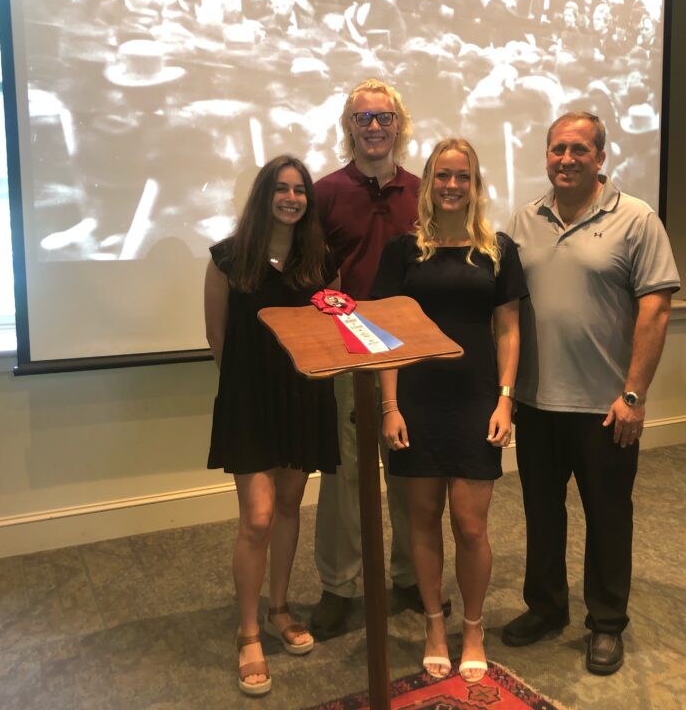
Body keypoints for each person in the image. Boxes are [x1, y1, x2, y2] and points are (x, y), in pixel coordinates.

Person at [502, 112, 679, 675]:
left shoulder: (636, 219)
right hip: (535, 401)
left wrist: (634, 394)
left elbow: (656, 308)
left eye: (580, 150)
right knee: (542, 514)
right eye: (557, 149)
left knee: (607, 517)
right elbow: (507, 311)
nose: (567, 159)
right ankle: (547, 608)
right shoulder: (523, 221)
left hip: (606, 407)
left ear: (601, 158)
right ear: (546, 155)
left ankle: (606, 623)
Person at [372, 138, 527, 682]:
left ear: (476, 185)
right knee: (421, 521)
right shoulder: (402, 251)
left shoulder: (497, 251)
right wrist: (389, 406)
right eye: (442, 176)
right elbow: (385, 335)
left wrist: (506, 401)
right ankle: (435, 624)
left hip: (476, 399)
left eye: (463, 177)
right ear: (429, 183)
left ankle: (475, 625)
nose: (452, 186)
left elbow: (508, 329)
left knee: (470, 525)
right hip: (414, 400)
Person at [204, 155, 340, 697]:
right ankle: (248, 631)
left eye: (299, 189)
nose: (291, 197)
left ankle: (281, 608)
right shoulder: (229, 258)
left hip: (304, 396)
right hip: (250, 400)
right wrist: (248, 387)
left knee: (288, 507)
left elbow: (332, 328)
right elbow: (219, 341)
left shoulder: (321, 260)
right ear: (264, 196)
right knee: (256, 518)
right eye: (280, 189)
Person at [312, 78, 437, 638]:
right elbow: (311, 275)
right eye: (363, 119)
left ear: (399, 125)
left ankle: (410, 576)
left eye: (384, 118)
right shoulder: (325, 193)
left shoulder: (424, 190)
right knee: (344, 474)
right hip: (347, 354)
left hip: (411, 354)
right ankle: (339, 584)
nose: (375, 127)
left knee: (409, 469)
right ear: (350, 127)